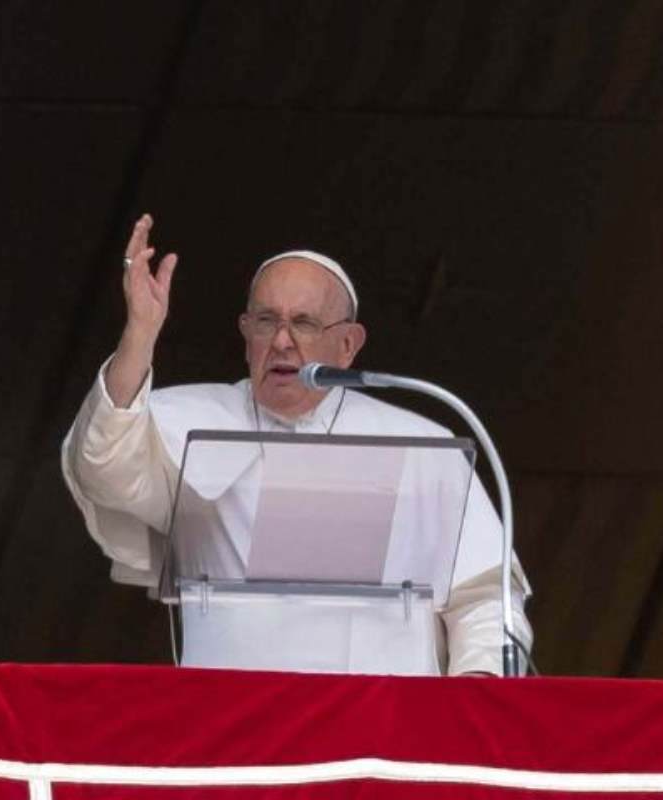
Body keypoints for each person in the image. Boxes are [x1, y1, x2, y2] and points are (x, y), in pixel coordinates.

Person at [62, 214, 532, 675]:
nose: (283, 341)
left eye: (304, 323)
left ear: (348, 345)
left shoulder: (425, 446)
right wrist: (139, 335)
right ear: (246, 334)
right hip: (232, 727)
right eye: (267, 321)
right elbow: (102, 462)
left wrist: (476, 693)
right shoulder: (190, 423)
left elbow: (486, 598)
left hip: (382, 736)